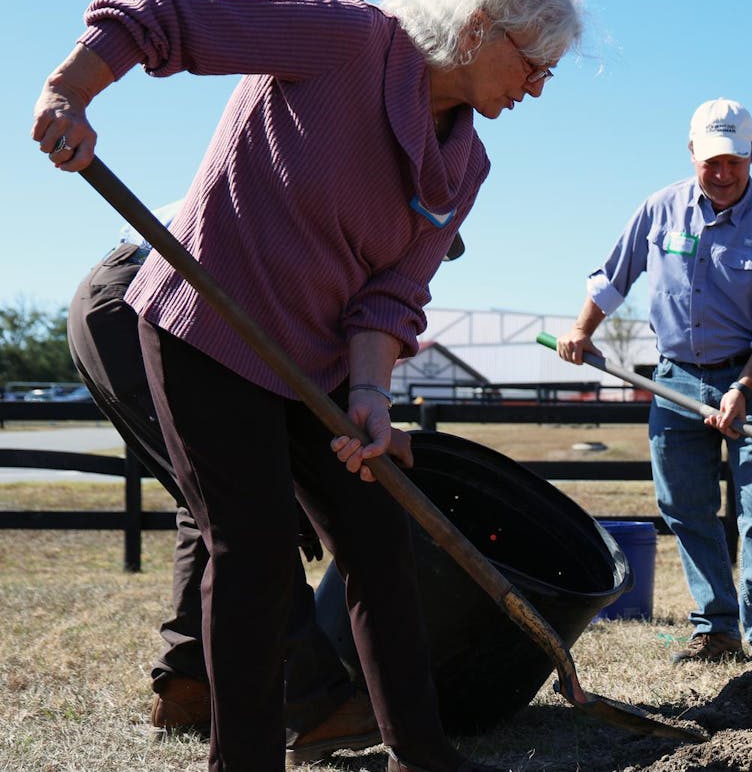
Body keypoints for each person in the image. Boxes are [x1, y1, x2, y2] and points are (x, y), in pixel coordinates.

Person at [34, 0, 584, 771]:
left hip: (319, 368)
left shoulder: (465, 163)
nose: (540, 86)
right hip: (207, 329)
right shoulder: (341, 36)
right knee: (250, 548)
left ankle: (421, 755)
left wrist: (370, 393)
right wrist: (70, 90)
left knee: (380, 542)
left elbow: (392, 294)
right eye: (535, 61)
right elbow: (166, 12)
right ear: (480, 26)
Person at [67, 211, 462, 762]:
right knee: (246, 515)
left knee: (206, 503)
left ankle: (188, 681)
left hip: (167, 294)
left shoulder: (357, 234)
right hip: (151, 295)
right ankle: (313, 704)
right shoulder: (335, 212)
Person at [556, 98, 752, 669]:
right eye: (711, 162)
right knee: (685, 507)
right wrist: (580, 330)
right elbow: (613, 276)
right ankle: (717, 628)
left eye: (735, 163)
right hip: (675, 380)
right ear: (693, 152)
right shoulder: (660, 210)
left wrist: (742, 388)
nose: (723, 175)